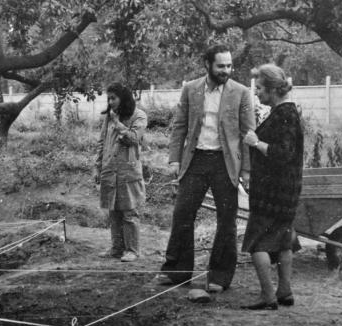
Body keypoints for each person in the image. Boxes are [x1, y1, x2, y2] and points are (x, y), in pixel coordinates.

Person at [159, 44, 255, 290]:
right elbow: (179, 126)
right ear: (207, 65)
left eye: (229, 65)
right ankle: (177, 272)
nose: (226, 70)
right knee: (182, 214)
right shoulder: (191, 90)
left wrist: (246, 171)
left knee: (226, 220)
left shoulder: (241, 92)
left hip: (226, 163)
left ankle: (220, 277)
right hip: (196, 161)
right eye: (221, 66)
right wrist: (174, 159)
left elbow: (248, 133)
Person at [240, 64, 304, 310]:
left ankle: (268, 297)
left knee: (257, 244)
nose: (256, 93)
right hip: (285, 191)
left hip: (272, 193)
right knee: (284, 241)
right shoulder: (285, 111)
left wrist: (256, 143)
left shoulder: (284, 114)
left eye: (259, 88)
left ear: (273, 89)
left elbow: (283, 153)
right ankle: (285, 292)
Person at [94, 82, 147, 262]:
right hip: (110, 170)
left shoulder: (139, 116)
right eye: (108, 98)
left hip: (128, 172)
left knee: (129, 212)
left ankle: (132, 250)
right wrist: (97, 167)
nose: (110, 102)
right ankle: (116, 248)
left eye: (113, 98)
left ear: (123, 98)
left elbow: (133, 138)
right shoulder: (108, 118)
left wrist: (118, 124)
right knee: (113, 210)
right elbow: (102, 143)